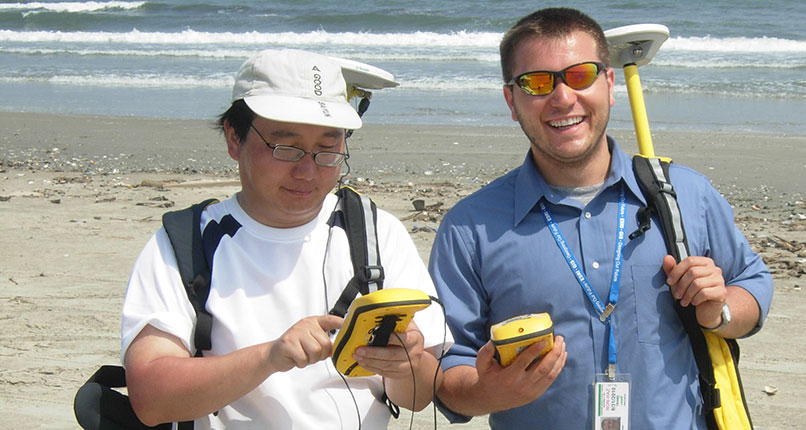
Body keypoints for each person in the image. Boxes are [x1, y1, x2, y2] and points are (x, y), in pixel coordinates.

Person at [428, 8, 773, 429]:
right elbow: (447, 367)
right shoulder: (470, 228)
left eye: (580, 75)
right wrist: (490, 392)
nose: (561, 98)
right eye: (537, 82)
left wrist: (717, 311)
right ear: (511, 101)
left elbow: (752, 286)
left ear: (609, 84)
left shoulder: (684, 194)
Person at [120, 49, 449, 428]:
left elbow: (417, 398)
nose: (307, 171)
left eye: (327, 149)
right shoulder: (185, 242)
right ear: (233, 138)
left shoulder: (377, 232)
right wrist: (269, 357)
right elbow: (151, 398)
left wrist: (404, 363)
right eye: (285, 147)